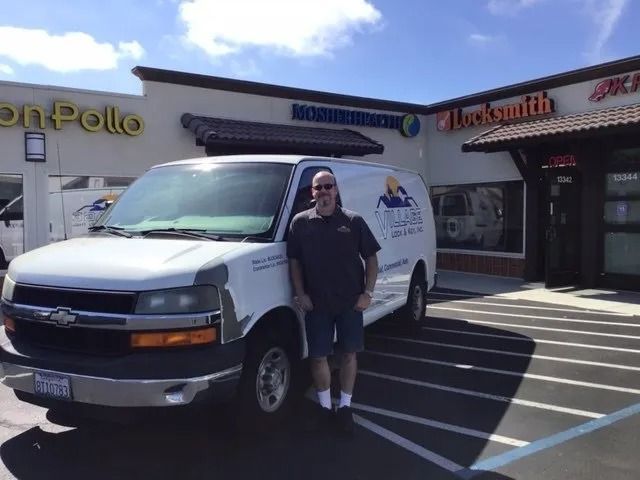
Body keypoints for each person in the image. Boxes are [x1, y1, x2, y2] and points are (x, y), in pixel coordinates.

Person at [287, 171, 380, 435]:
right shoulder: (300, 223)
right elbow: (294, 261)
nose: (324, 191)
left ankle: (346, 408)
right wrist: (300, 293)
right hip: (316, 304)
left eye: (329, 186)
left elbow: (371, 259)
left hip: (350, 302)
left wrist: (368, 293)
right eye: (319, 188)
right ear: (312, 192)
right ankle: (325, 408)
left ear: (336, 190)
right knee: (318, 357)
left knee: (349, 354)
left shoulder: (353, 221)